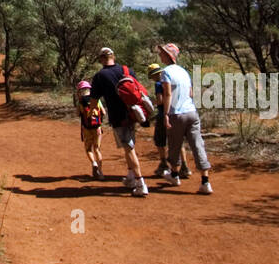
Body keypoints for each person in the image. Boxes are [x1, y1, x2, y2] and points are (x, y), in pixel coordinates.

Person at [89, 47, 149, 196]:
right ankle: (130, 177)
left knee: (129, 148)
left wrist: (91, 113)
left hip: (117, 116)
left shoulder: (100, 76)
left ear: (102, 59)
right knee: (130, 144)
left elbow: (94, 99)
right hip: (133, 113)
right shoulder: (127, 70)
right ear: (113, 57)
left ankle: (140, 182)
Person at [156, 42, 213, 194]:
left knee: (174, 145)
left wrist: (166, 114)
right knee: (197, 145)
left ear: (168, 56)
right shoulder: (184, 72)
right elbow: (191, 94)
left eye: (162, 53)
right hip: (192, 112)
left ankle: (174, 175)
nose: (160, 55)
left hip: (177, 114)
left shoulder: (165, 72)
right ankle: (205, 182)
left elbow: (167, 94)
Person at [73, 80, 105, 180]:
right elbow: (103, 112)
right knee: (97, 149)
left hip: (86, 128)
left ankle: (94, 163)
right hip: (97, 128)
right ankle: (101, 172)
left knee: (88, 149)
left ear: (79, 91)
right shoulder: (96, 100)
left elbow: (78, 114)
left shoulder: (81, 101)